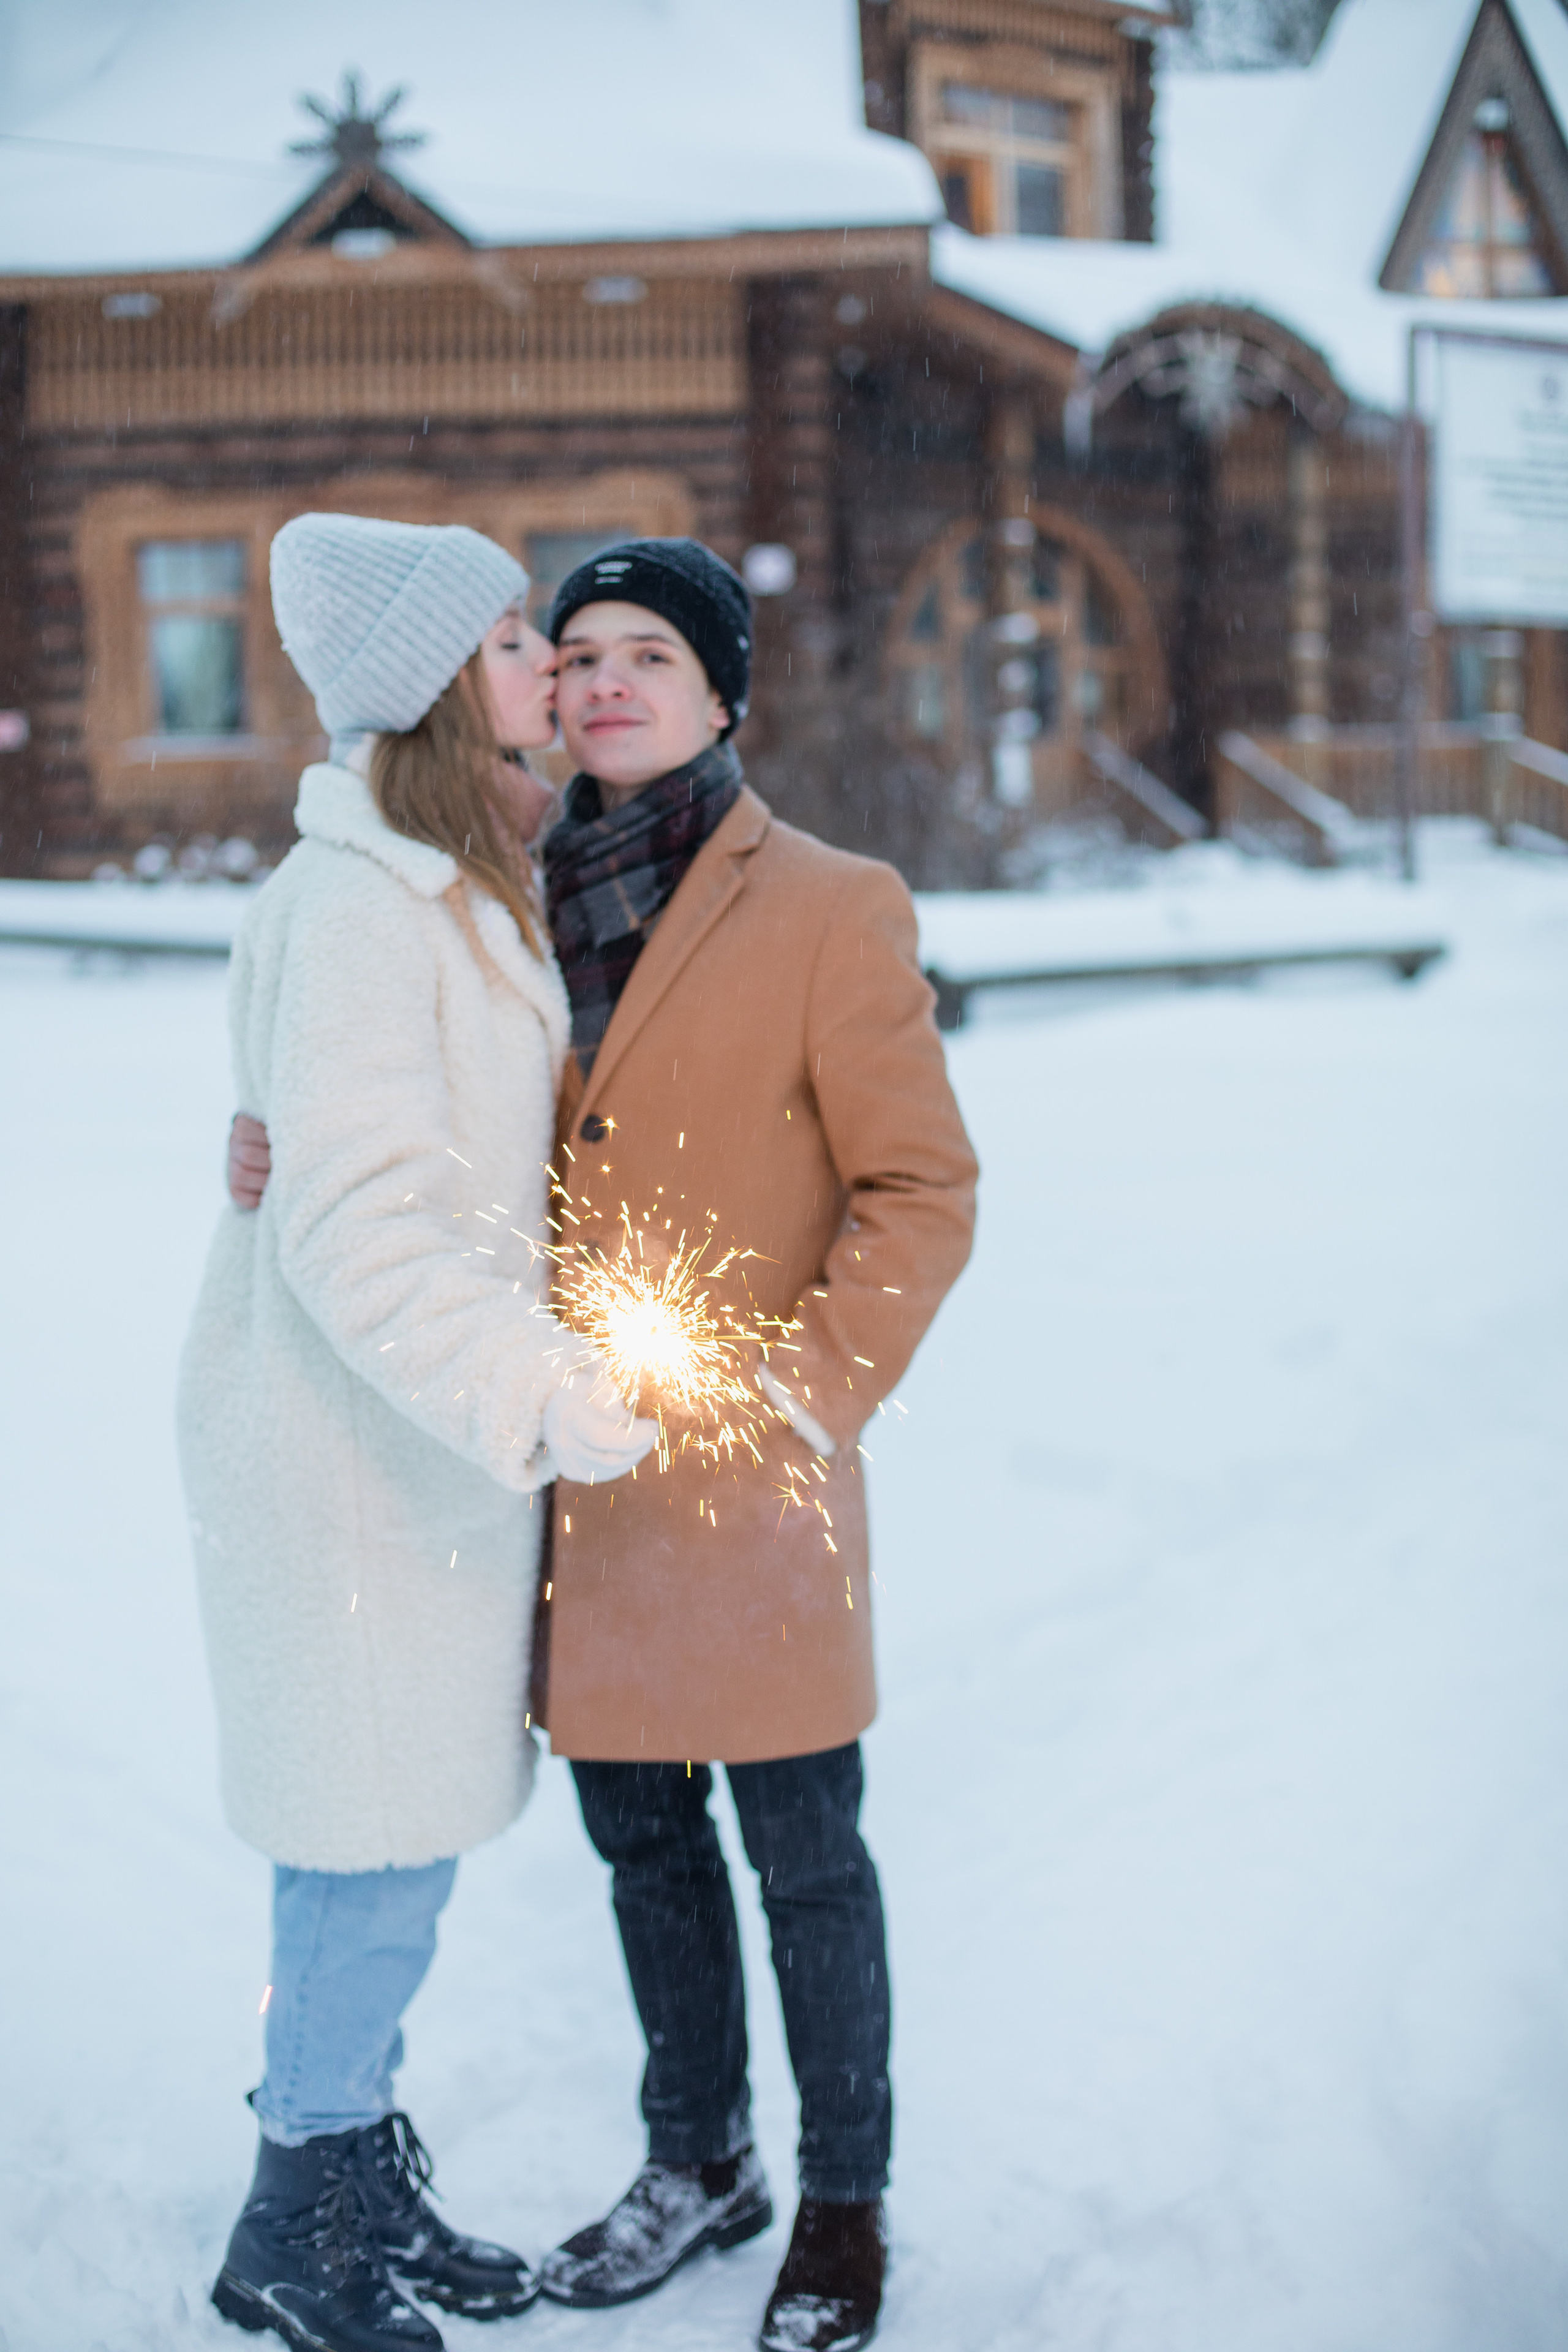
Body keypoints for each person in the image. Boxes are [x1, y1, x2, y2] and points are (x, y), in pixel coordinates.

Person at [229, 534, 979, 2352]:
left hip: (750, 1463)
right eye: (577, 652)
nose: (607, 680)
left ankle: (843, 2206)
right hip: (557, 1472)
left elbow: (921, 1187)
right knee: (644, 1852)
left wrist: (806, 1390)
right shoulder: (485, 888)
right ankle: (696, 2161)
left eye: (655, 650)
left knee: (807, 1858)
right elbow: (401, 1124)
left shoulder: (826, 900)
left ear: (727, 691)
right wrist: (274, 1150)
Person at [182, 513, 654, 2352]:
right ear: (451, 678)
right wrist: (545, 1394)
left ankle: (349, 2164)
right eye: (523, 636)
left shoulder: (448, 878)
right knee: (361, 1855)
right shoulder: (369, 908)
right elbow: (361, 1223)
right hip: (345, 1453)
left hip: (407, 1448)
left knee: (392, 1850)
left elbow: (370, 1157)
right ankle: (293, 2221)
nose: (552, 661)